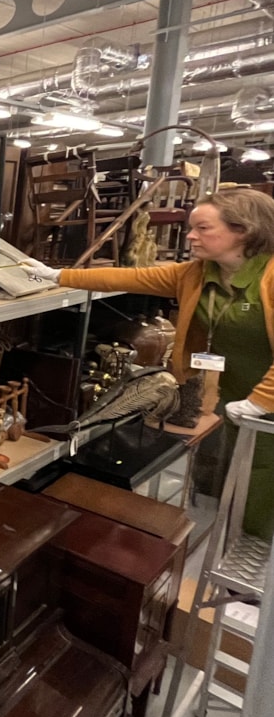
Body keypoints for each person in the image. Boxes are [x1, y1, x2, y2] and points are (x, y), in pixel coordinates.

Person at [22, 187, 274, 540]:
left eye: (203, 228)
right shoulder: (198, 274)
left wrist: (262, 401)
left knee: (264, 473)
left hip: (265, 403)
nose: (190, 236)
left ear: (243, 231)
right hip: (236, 395)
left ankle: (253, 556)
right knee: (237, 466)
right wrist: (57, 276)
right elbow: (130, 277)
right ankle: (232, 537)